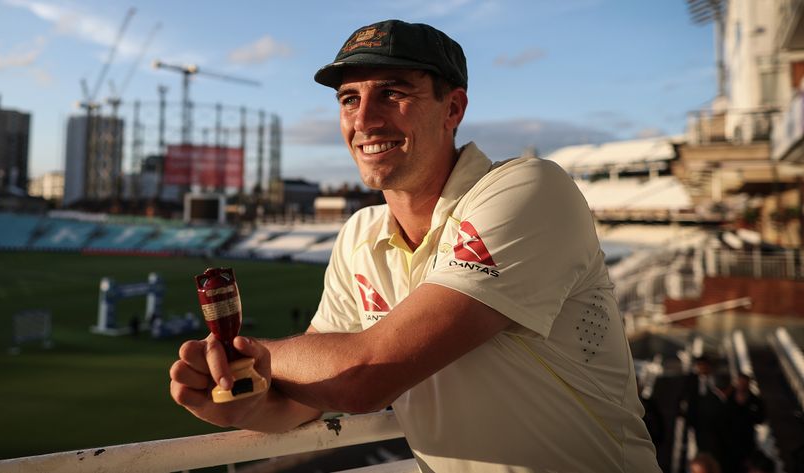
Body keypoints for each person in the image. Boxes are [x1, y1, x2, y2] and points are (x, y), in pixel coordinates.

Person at [170, 19, 659, 472]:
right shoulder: (359, 234)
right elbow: (305, 400)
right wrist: (233, 397)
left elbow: (366, 375)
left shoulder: (530, 188)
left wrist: (252, 355)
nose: (364, 119)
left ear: (453, 108)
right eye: (348, 100)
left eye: (391, 93)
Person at [680, 355, 728, 468]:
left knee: (716, 449)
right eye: (699, 366)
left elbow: (724, 396)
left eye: (704, 365)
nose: (702, 368)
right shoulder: (691, 380)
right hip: (699, 422)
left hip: (716, 423)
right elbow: (685, 398)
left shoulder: (717, 379)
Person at [723, 372, 766, 473]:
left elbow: (761, 419)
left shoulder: (755, 401)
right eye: (740, 382)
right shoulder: (728, 399)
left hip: (747, 442)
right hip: (729, 443)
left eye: (745, 383)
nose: (742, 385)